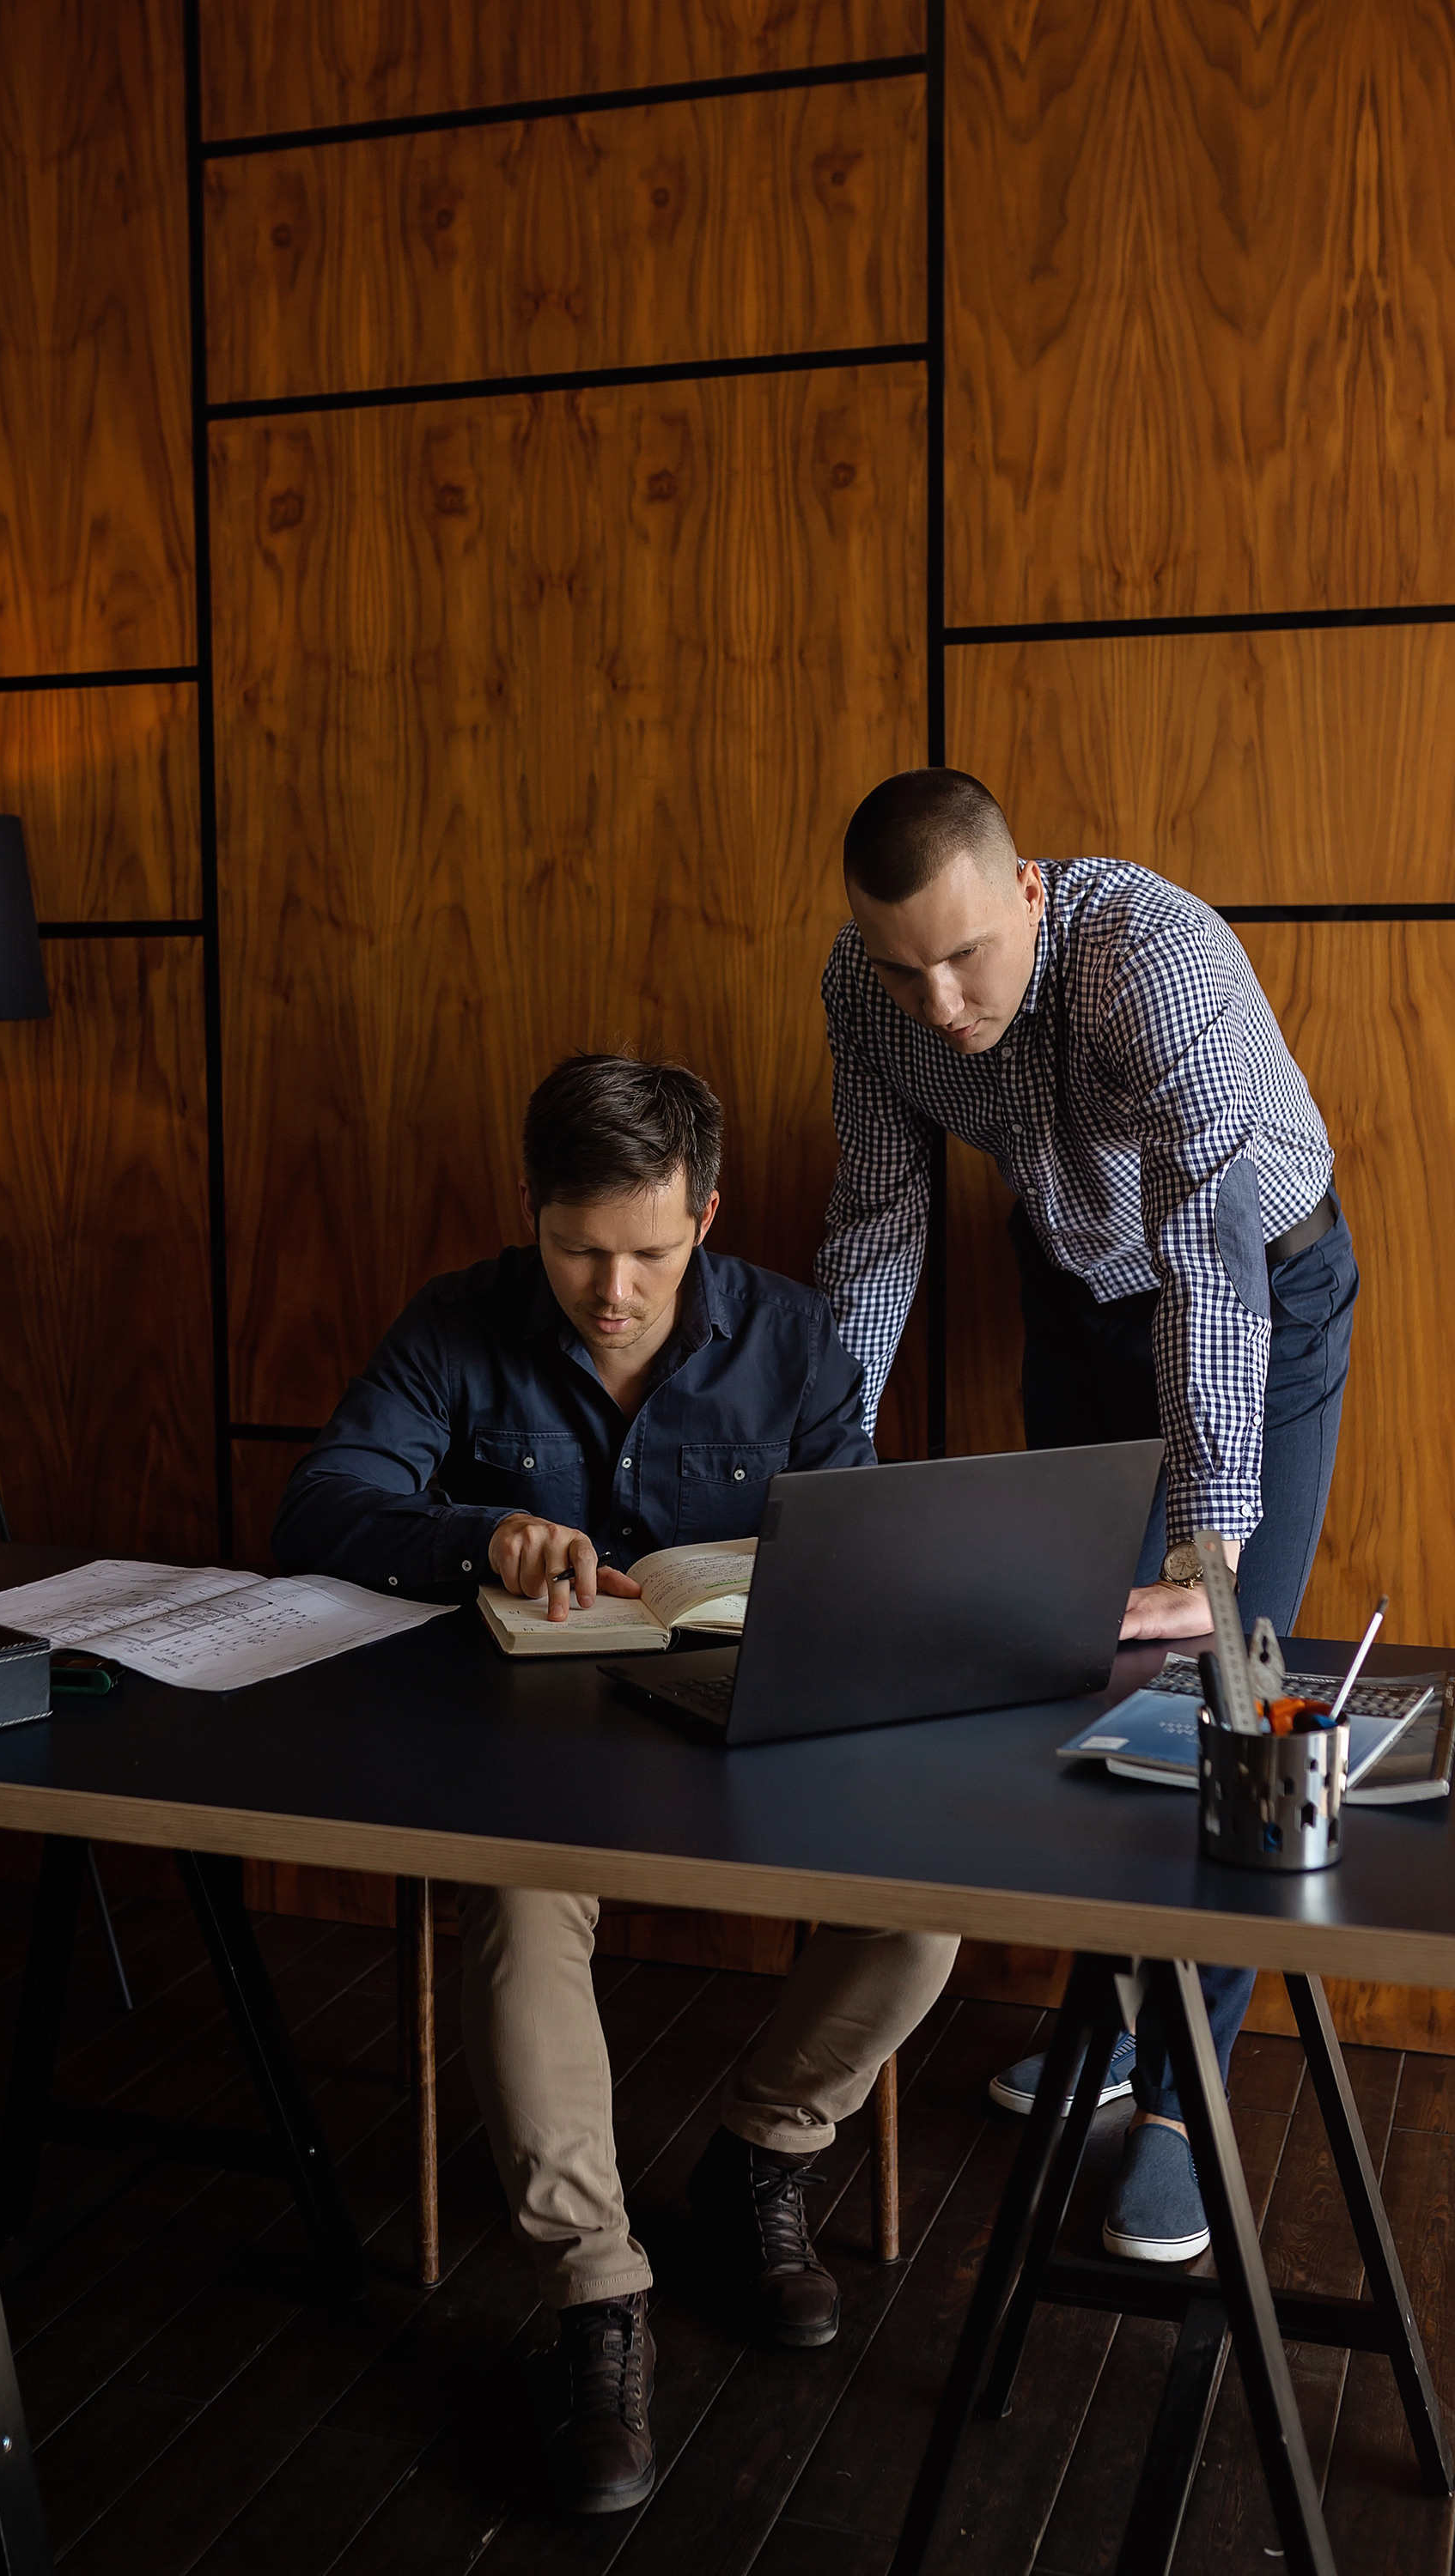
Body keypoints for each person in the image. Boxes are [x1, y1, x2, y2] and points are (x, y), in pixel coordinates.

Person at [276, 1053, 958, 2512]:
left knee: (927, 1907)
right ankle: (599, 2296)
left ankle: (762, 2156)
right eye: (581, 1249)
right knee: (521, 1916)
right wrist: (481, 1535)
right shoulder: (455, 1324)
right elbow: (322, 1502)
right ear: (533, 1214)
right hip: (520, 1747)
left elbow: (860, 1539)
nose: (613, 1288)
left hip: (746, 1727)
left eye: (649, 1251)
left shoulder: (799, 1336)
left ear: (706, 1214)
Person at [815, 769, 1357, 2266]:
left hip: (1262, 1288)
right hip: (1069, 1300)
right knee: (1085, 1675)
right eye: (897, 963)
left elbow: (1207, 1248)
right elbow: (874, 1227)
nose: (935, 1000)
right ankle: (1113, 2026)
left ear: (1031, 892)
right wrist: (824, 1481)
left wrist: (1211, 1535)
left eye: (965, 956)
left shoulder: (1151, 955)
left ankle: (1187, 2099)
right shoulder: (868, 999)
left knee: (1227, 1691)